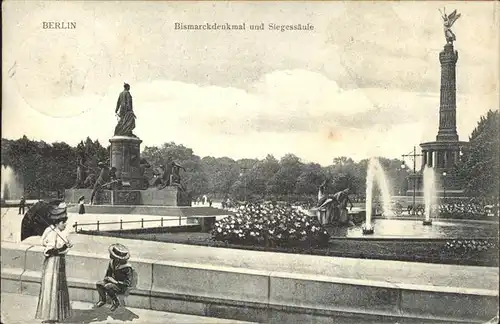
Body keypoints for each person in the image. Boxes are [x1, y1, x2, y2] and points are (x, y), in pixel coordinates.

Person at [35, 201, 73, 323]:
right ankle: (50, 317)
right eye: (63, 222)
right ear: (58, 222)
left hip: (59, 263)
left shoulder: (61, 233)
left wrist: (66, 247)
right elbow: (50, 250)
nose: (65, 224)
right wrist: (61, 249)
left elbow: (61, 249)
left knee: (58, 288)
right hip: (52, 264)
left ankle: (56, 316)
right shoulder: (51, 232)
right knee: (51, 287)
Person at [95, 243, 133, 311]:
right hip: (113, 282)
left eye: (113, 255)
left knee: (108, 286)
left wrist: (115, 282)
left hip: (121, 286)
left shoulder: (127, 268)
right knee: (99, 284)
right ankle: (103, 300)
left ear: (118, 258)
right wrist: (106, 279)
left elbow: (127, 283)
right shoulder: (112, 262)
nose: (110, 255)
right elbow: (108, 273)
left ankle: (116, 302)